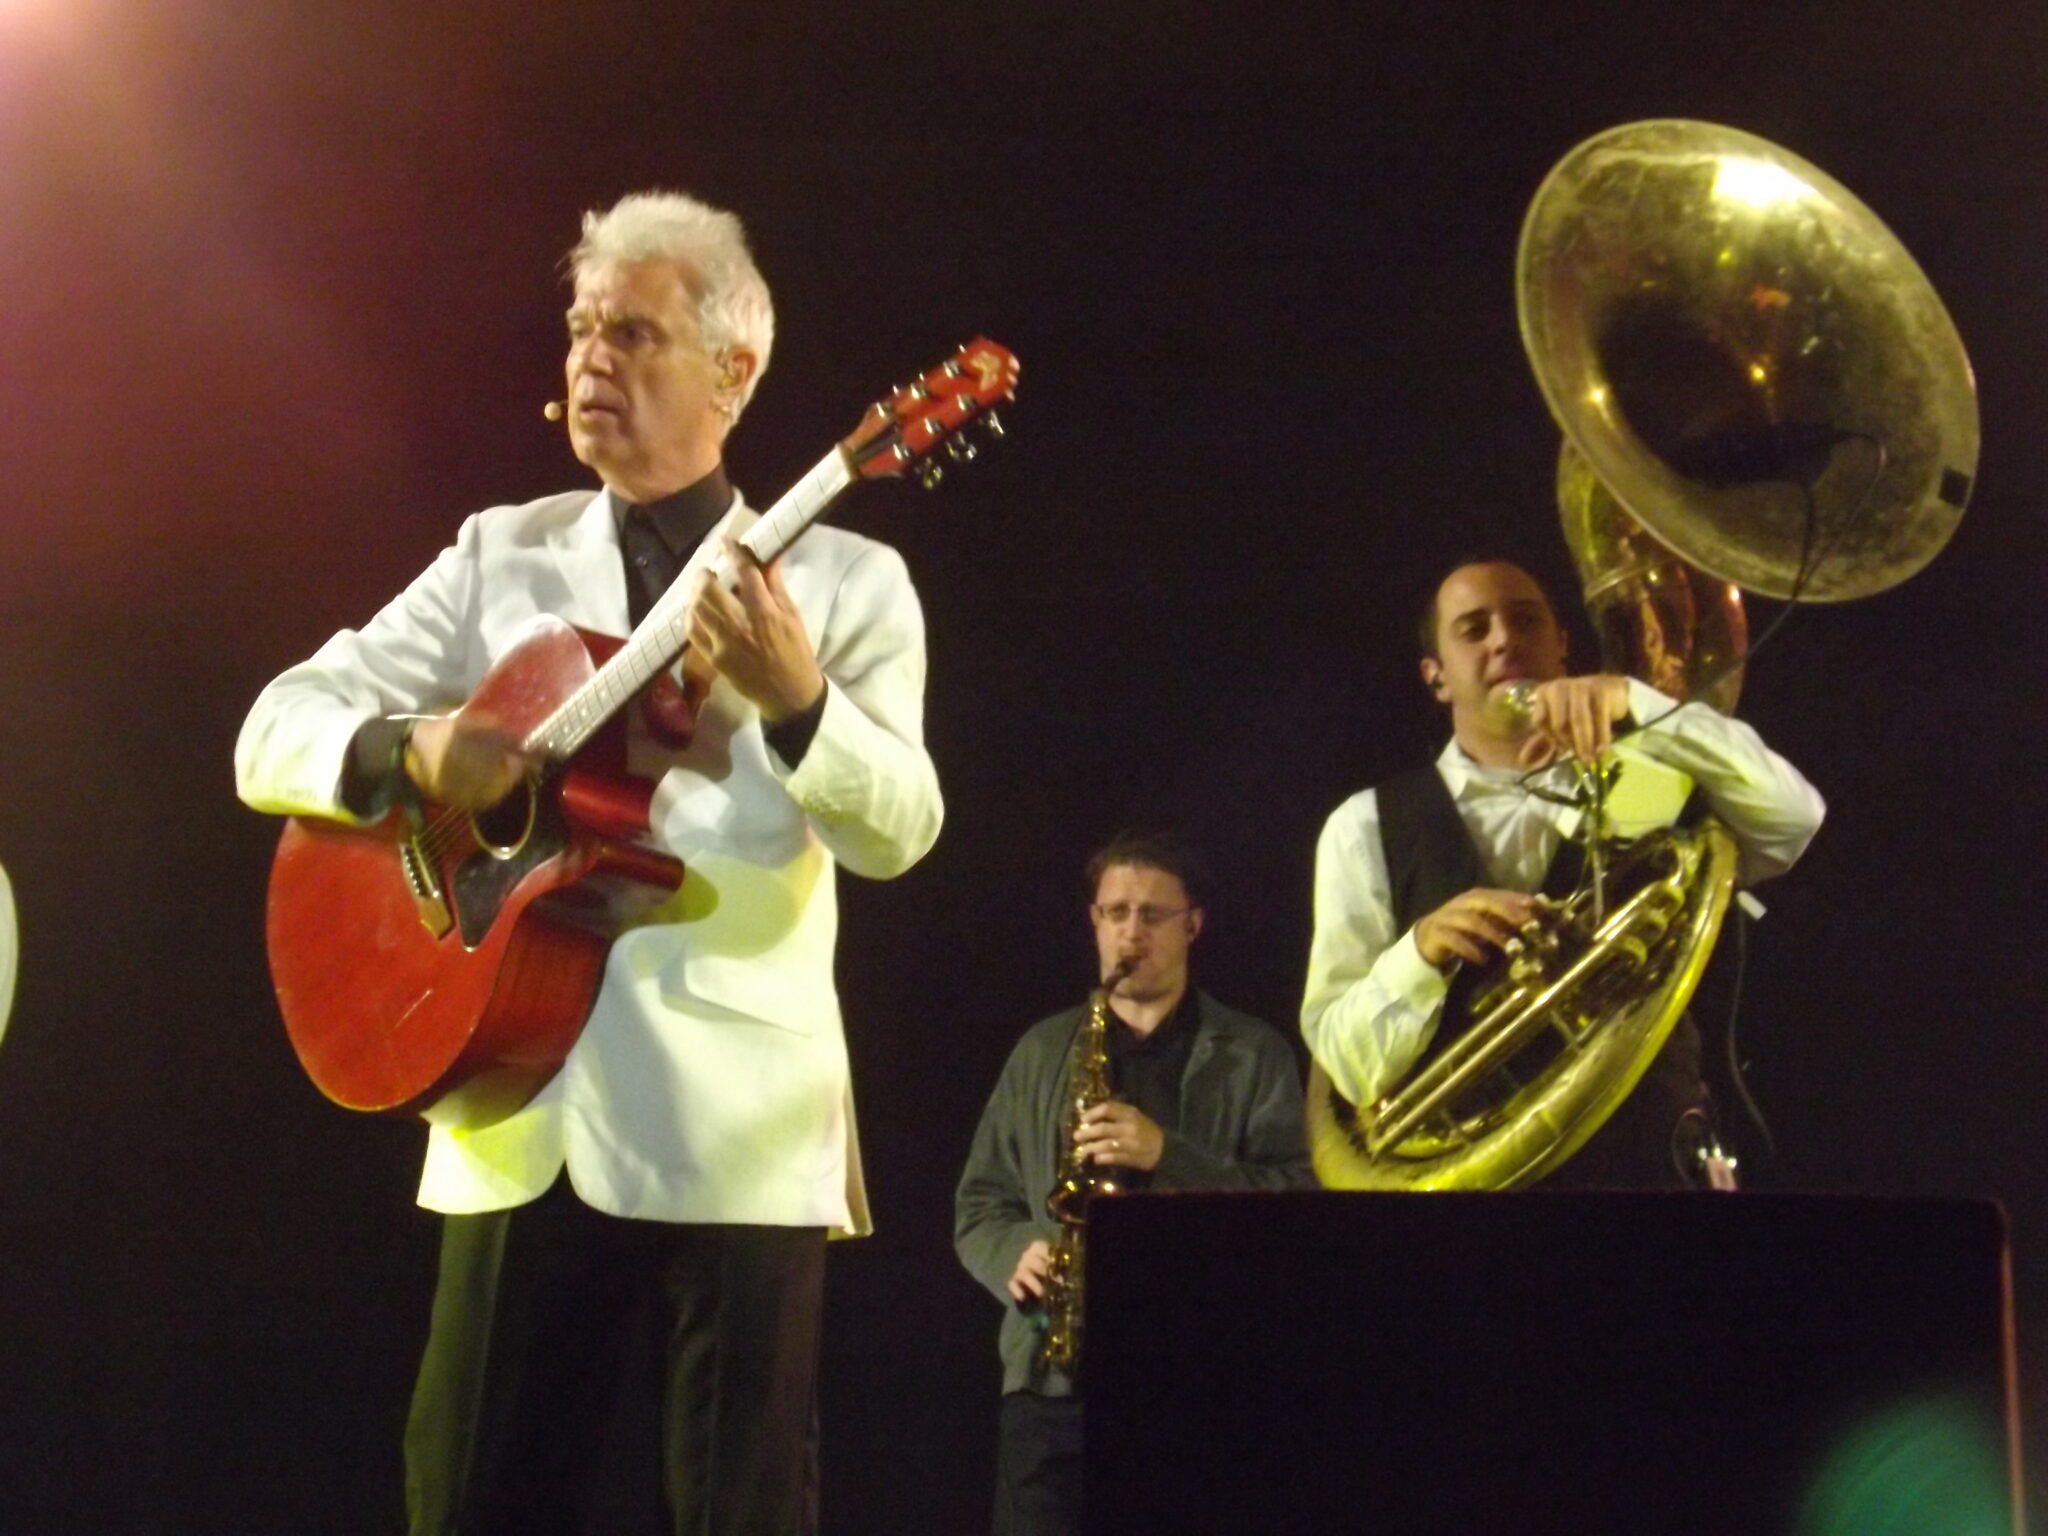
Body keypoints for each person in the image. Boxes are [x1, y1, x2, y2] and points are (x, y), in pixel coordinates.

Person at [235, 190, 943, 1535]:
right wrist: (422, 752)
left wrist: (799, 705)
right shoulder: (500, 553)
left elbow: (900, 827)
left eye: (634, 332)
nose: (589, 362)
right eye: (578, 330)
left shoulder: (849, 583)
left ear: (737, 370)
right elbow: (271, 729)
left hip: (738, 1132)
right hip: (510, 1098)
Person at [1300, 559, 1825, 1188]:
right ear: (1435, 677)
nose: (1503, 640)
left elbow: (1795, 819)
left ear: (1562, 645)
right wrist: (1418, 953)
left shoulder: (1652, 773)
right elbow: (1345, 1063)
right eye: (1473, 629)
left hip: (1655, 1170)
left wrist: (1634, 701)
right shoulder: (1363, 826)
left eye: (1525, 620)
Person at [954, 832, 1315, 1536]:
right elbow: (978, 1205)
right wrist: (1019, 1251)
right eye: (1115, 912)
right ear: (1094, 921)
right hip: (1052, 1379)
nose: (1131, 932)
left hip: (1203, 1379)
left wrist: (1166, 1154)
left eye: (1152, 914)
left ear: (1193, 925)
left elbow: (1297, 1204)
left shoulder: (1256, 1052)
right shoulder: (1041, 1050)